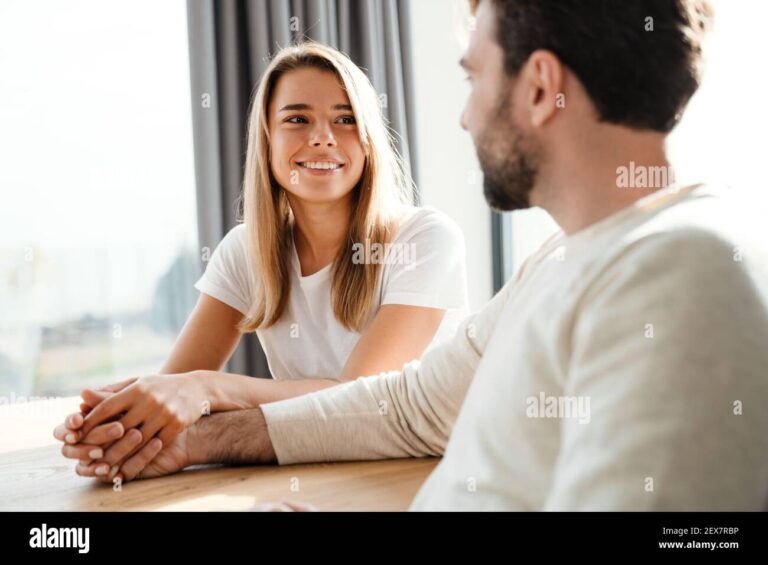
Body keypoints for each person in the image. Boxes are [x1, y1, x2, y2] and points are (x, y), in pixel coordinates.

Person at [59, 0, 768, 511]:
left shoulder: (684, 274)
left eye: (473, 76)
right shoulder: (562, 260)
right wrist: (196, 441)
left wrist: (212, 397)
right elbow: (410, 406)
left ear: (542, 84)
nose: (463, 114)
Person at [52, 42, 468, 482]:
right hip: (312, 476)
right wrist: (116, 421)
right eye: (297, 119)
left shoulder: (426, 239)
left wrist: (209, 389)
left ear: (368, 142)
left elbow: (359, 402)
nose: (323, 136)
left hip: (421, 476)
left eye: (346, 119)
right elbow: (175, 383)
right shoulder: (245, 252)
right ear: (266, 141)